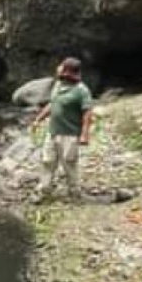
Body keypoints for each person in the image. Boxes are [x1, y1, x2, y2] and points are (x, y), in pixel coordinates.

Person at [31, 57, 94, 202]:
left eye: (61, 66)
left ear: (67, 71)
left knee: (69, 163)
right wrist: (38, 119)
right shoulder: (58, 84)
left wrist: (85, 135)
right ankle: (44, 191)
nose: (58, 68)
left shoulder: (81, 90)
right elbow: (52, 104)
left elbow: (87, 113)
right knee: (47, 161)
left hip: (70, 135)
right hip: (52, 132)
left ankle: (74, 193)